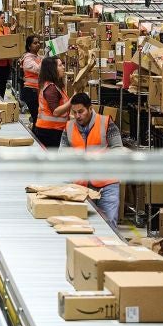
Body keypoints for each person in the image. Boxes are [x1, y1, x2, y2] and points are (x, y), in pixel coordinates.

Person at [60, 92, 123, 227]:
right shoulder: (69, 127)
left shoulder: (107, 123)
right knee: (80, 227)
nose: (77, 116)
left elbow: (118, 150)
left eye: (81, 111)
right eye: (74, 112)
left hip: (106, 185)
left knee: (108, 225)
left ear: (90, 108)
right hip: (80, 187)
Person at [34, 56, 69, 149]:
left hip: (53, 129)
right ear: (52, 69)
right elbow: (56, 111)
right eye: (60, 65)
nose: (63, 67)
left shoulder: (55, 86)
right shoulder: (51, 88)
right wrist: (72, 102)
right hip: (49, 131)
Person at [19, 35, 41, 128]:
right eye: (35, 43)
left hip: (36, 90)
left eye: (38, 43)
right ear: (29, 46)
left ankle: (35, 131)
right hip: (30, 91)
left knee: (38, 116)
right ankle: (36, 135)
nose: (38, 45)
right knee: (36, 116)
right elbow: (38, 69)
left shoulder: (37, 57)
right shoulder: (28, 59)